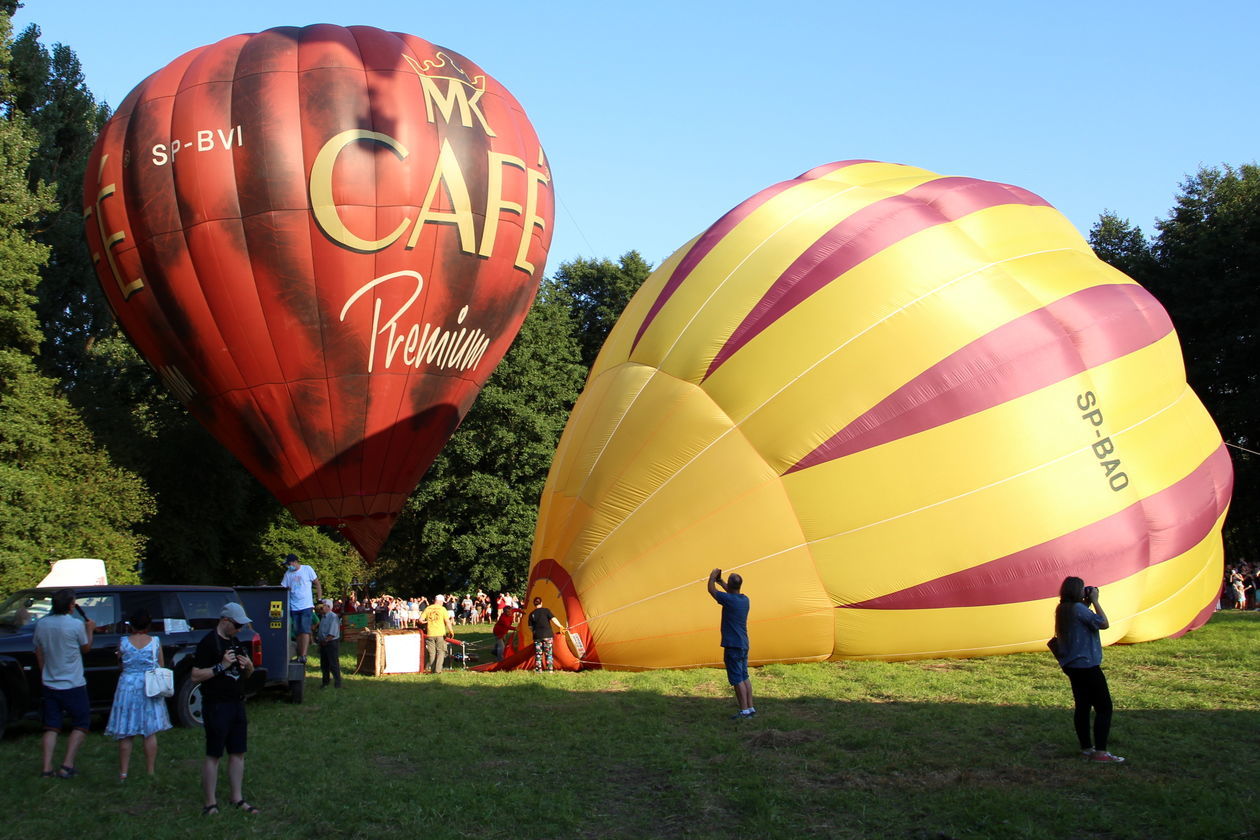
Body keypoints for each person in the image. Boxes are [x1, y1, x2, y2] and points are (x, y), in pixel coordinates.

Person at [192, 602, 259, 815]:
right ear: (225, 621)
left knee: (238, 752)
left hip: (237, 703)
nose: (239, 629)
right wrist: (221, 666)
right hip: (216, 705)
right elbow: (195, 675)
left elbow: (246, 674)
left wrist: (249, 667)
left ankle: (237, 797)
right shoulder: (208, 643)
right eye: (237, 625)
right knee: (214, 754)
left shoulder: (236, 641)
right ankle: (210, 803)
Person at [1052, 576, 1124, 763]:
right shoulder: (1078, 609)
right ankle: (1100, 752)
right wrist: (1095, 601)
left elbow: (1081, 618)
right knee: (1104, 708)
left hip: (1072, 666)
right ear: (1077, 591)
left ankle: (1086, 747)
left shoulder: (1063, 609)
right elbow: (1103, 623)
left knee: (1083, 706)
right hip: (1087, 666)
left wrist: (1086, 603)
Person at [33, 588, 95, 778]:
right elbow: (86, 648)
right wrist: (90, 630)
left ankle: (46, 768)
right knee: (81, 723)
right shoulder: (75, 625)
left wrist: (44, 672)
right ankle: (67, 765)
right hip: (73, 683)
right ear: (70, 606)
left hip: (50, 682)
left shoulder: (42, 624)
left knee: (51, 727)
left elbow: (38, 650)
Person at [104, 608, 172, 780]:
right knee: (149, 731)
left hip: (127, 685)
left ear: (131, 625)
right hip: (150, 686)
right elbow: (160, 665)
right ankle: (150, 771)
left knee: (126, 731)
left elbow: (121, 664)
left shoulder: (123, 642)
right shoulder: (155, 642)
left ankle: (123, 772)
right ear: (148, 624)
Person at [707, 568, 754, 719]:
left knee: (736, 679)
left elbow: (711, 590)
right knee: (744, 676)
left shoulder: (729, 600)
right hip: (743, 644)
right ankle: (750, 708)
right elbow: (730, 591)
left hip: (732, 644)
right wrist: (721, 581)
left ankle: (744, 711)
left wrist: (712, 577)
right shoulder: (744, 599)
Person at [281, 553, 322, 664]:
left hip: (306, 605)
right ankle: (300, 654)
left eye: (289, 564)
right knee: (297, 631)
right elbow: (283, 588)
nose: (288, 566)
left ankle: (303, 655)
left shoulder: (307, 569)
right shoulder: (288, 574)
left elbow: (317, 583)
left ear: (295, 562)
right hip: (293, 606)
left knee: (304, 629)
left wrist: (319, 599)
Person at [527, 597, 566, 673]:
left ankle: (539, 671)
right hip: (547, 635)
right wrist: (560, 626)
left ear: (534, 604)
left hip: (537, 636)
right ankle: (550, 670)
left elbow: (530, 627)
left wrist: (534, 631)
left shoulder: (531, 614)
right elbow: (554, 619)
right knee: (549, 654)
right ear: (541, 603)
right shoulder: (546, 611)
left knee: (538, 654)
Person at [421, 595, 454, 674]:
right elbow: (447, 621)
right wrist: (451, 631)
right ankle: (438, 670)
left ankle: (432, 670)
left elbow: (420, 620)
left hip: (430, 633)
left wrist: (428, 622)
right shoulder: (442, 609)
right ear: (440, 601)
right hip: (440, 633)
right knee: (441, 652)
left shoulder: (428, 608)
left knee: (431, 653)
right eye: (442, 602)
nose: (443, 603)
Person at [315, 599, 343, 689]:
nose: (321, 607)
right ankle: (325, 682)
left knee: (333, 663)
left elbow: (332, 632)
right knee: (324, 664)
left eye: (323, 605)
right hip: (323, 643)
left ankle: (338, 683)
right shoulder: (323, 617)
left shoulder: (333, 617)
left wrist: (326, 640)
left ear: (328, 607)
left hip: (331, 643)